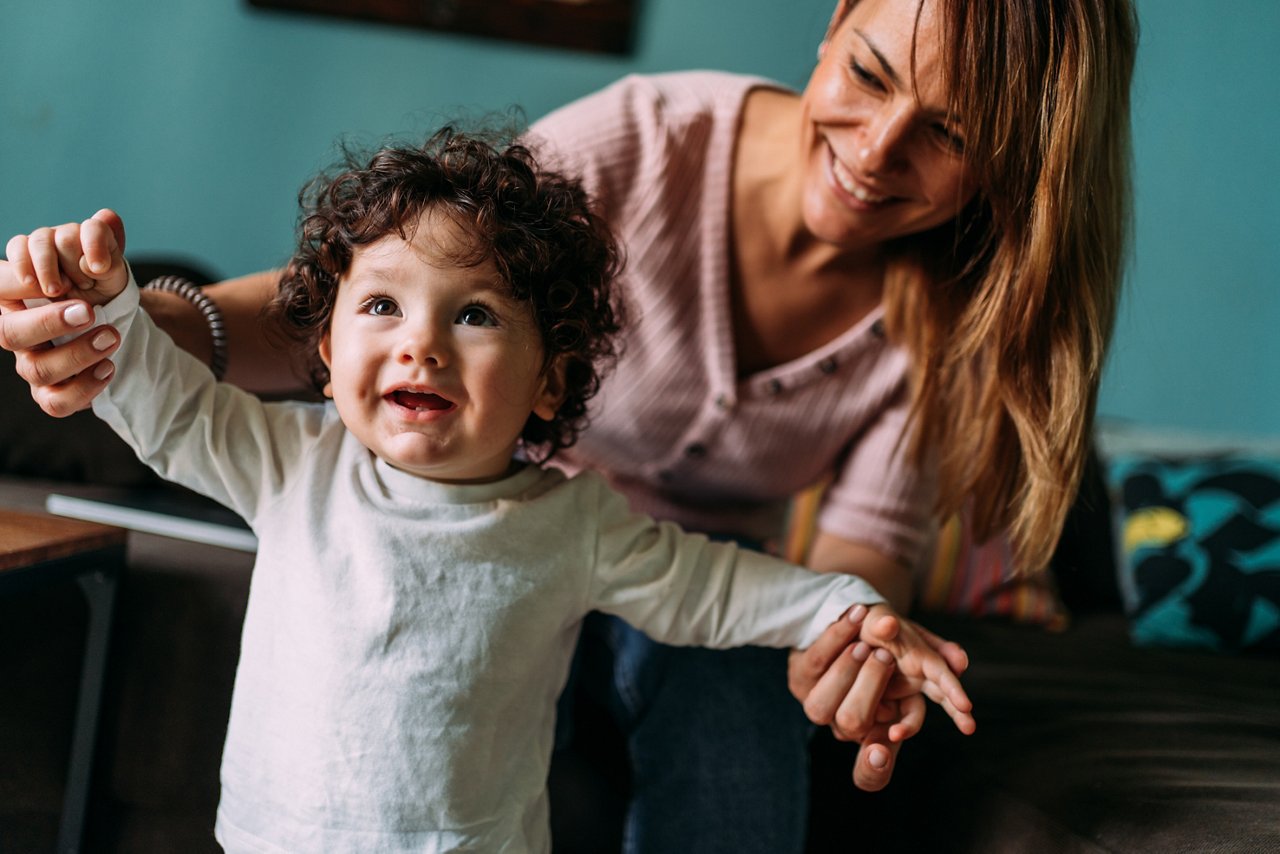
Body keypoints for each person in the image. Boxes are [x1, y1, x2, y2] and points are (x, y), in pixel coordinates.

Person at [0, 0, 1137, 850]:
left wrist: (852, 636)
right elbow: (337, 312)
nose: (878, 146)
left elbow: (828, 577)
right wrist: (109, 324)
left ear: (1017, 163)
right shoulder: (643, 147)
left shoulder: (953, 325)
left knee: (732, 674)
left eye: (947, 131)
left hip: (642, 571)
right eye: (870, 71)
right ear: (834, 21)